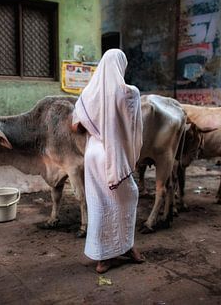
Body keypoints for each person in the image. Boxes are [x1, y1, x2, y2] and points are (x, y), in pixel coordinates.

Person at [71, 49, 144, 273]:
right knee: (128, 197)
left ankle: (107, 255)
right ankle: (120, 250)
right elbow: (136, 129)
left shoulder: (88, 94)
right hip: (113, 155)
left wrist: (95, 123)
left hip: (93, 154)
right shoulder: (130, 93)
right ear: (120, 66)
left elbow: (74, 126)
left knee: (99, 203)